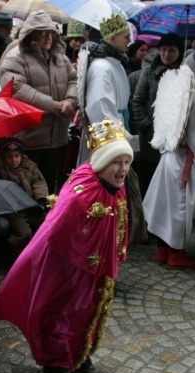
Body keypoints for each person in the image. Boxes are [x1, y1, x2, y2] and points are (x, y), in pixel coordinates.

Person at [0, 119, 133, 373]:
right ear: (101, 162)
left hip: (93, 268)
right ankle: (57, 368)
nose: (123, 169)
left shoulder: (113, 186)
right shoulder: (83, 188)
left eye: (127, 162)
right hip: (67, 266)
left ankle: (78, 358)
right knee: (60, 309)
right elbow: (60, 228)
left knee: (86, 309)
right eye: (116, 162)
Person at [77, 12, 147, 245]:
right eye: (126, 36)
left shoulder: (113, 64)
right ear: (113, 36)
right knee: (101, 194)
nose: (130, 41)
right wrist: (121, 139)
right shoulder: (103, 68)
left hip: (116, 131)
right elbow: (100, 108)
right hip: (108, 142)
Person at [143, 50, 195, 268]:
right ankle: (175, 252)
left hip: (169, 156)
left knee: (165, 204)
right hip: (186, 158)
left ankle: (162, 249)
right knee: (179, 207)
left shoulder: (173, 90)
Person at [0, 9, 78, 193]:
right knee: (26, 188)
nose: (48, 37)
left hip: (57, 138)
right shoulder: (16, 58)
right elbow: (15, 88)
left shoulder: (60, 58)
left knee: (49, 187)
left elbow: (73, 79)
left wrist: (71, 101)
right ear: (31, 34)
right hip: (29, 139)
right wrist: (53, 105)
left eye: (50, 32)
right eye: (42, 33)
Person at [131, 32, 184, 198]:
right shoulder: (148, 73)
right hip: (150, 137)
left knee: (168, 181)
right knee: (147, 178)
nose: (166, 54)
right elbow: (137, 102)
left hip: (173, 137)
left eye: (172, 51)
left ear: (179, 53)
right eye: (164, 50)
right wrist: (146, 126)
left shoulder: (184, 74)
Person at [0, 137, 49, 255]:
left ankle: (43, 252)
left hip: (32, 205)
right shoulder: (0, 170)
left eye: (16, 156)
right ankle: (20, 256)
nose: (14, 160)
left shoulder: (29, 166)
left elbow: (38, 182)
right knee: (24, 233)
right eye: (9, 157)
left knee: (47, 223)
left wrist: (40, 198)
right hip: (15, 210)